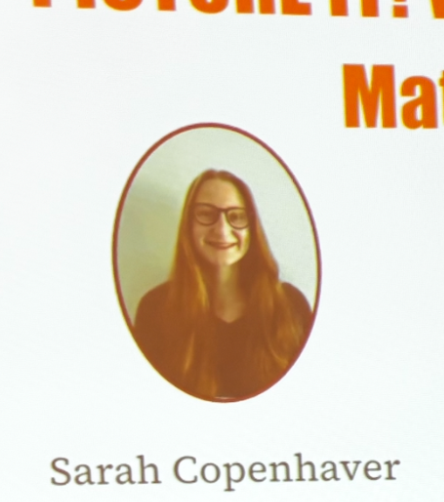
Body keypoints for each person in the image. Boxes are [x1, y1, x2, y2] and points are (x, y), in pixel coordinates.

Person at [131, 168, 313, 401]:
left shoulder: (291, 306)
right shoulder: (154, 309)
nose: (222, 230)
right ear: (188, 225)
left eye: (236, 216)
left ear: (252, 228)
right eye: (206, 214)